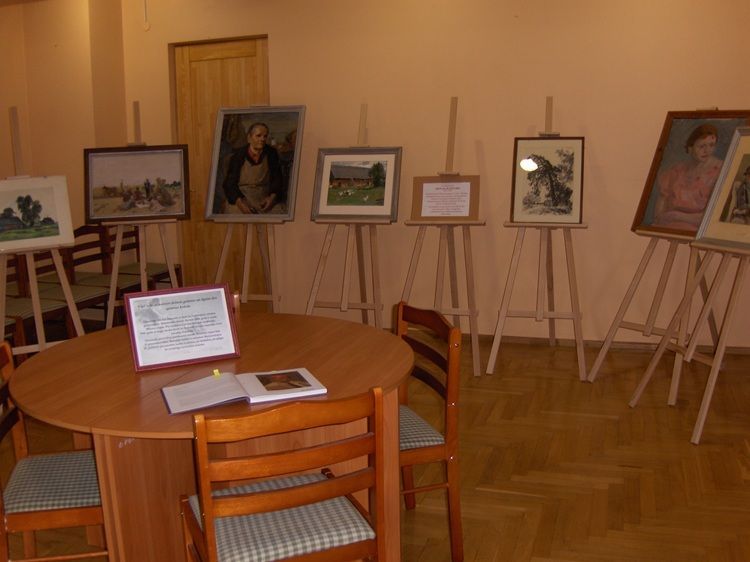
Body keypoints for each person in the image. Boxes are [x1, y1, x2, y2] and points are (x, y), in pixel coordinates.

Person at [652, 123, 722, 231]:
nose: (707, 151)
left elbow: (712, 216)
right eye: (702, 146)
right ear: (690, 148)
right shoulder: (677, 171)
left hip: (699, 230)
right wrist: (660, 218)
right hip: (669, 226)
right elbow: (661, 205)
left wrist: (676, 216)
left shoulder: (720, 171)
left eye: (711, 145)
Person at [222, 122, 284, 214]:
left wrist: (272, 198)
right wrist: (240, 203)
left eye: (265, 136)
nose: (262, 139)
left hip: (264, 197)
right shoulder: (238, 155)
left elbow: (277, 179)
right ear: (249, 138)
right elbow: (229, 183)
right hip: (242, 197)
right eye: (258, 136)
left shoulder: (271, 153)